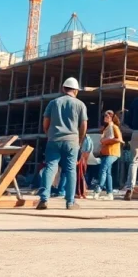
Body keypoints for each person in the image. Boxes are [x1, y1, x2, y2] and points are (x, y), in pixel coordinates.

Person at [38, 77, 88, 210]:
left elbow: (45, 122)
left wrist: (49, 134)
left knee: (50, 167)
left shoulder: (53, 103)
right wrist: (80, 140)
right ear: (76, 90)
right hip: (72, 141)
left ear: (63, 88)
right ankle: (70, 202)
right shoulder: (80, 104)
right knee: (71, 169)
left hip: (54, 140)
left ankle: (44, 199)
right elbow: (83, 125)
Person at [93, 110, 123, 200]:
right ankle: (110, 193)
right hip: (106, 152)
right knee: (107, 172)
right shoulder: (106, 128)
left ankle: (98, 190)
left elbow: (119, 139)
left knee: (103, 170)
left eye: (108, 116)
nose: (106, 117)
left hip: (112, 152)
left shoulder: (114, 127)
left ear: (112, 118)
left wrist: (106, 141)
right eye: (105, 116)